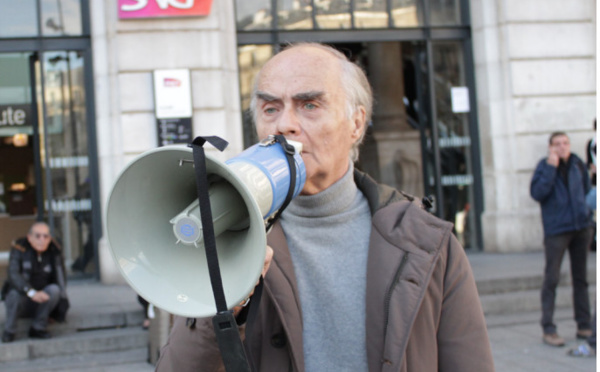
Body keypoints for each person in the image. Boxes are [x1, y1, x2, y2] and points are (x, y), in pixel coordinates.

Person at [155, 43, 494, 371]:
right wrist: (223, 304)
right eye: (270, 108)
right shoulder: (231, 237)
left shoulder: (425, 240)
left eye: (309, 105)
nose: (284, 125)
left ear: (356, 123)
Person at [530, 132, 594, 347]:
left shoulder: (578, 164)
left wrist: (588, 216)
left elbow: (588, 192)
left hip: (581, 228)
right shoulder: (544, 166)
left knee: (581, 280)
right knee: (552, 279)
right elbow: (537, 193)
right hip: (556, 231)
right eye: (557, 144)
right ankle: (548, 328)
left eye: (565, 143)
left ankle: (584, 325)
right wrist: (550, 167)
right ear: (550, 147)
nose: (562, 147)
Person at [1, 221, 68, 343]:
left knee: (54, 290)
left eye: (45, 236)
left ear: (49, 239)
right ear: (29, 237)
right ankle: (9, 331)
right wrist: (31, 292)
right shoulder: (19, 249)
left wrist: (61, 307)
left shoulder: (54, 252)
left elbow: (60, 280)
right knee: (13, 294)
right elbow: (13, 275)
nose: (42, 239)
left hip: (42, 301)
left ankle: (38, 328)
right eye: (37, 236)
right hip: (23, 300)